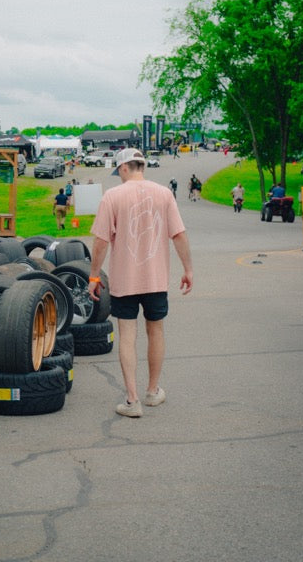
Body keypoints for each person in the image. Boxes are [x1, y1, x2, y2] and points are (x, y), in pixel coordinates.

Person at [88, 148, 193, 418]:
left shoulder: (112, 196)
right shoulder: (164, 193)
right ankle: (152, 391)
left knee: (127, 334)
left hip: (125, 279)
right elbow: (178, 234)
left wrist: (94, 275)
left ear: (124, 167)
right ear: (141, 166)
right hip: (156, 279)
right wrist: (188, 269)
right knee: (155, 331)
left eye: (118, 171)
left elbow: (101, 241)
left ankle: (132, 400)